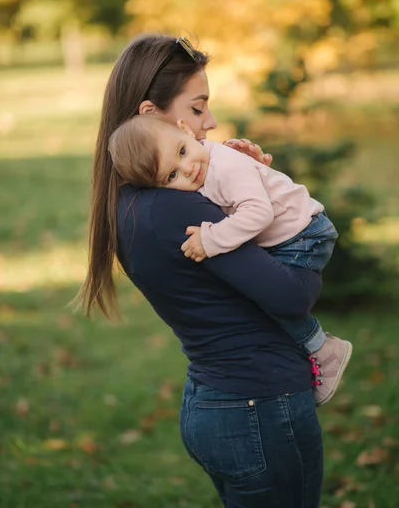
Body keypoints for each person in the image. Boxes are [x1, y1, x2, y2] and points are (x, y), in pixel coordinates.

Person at [79, 34, 325, 507]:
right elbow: (293, 296)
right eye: (197, 108)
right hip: (257, 406)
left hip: (219, 401)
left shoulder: (136, 202)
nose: (209, 121)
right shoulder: (176, 212)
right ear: (151, 114)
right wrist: (295, 224)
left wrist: (248, 183)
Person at [107, 113, 353, 407]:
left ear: (185, 129)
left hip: (302, 233)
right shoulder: (205, 168)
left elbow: (259, 214)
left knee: (269, 296)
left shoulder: (225, 165)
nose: (188, 169)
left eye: (183, 151)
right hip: (287, 231)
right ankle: (317, 350)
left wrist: (211, 240)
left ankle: (324, 350)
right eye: (171, 176)